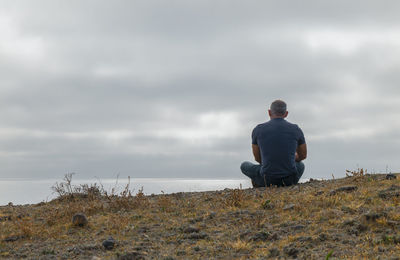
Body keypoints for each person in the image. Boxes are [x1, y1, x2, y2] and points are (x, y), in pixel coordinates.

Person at [240, 100, 307, 187]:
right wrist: (293, 157)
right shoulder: (296, 129)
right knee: (300, 165)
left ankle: (260, 182)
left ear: (269, 112)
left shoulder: (258, 129)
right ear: (286, 114)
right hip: (289, 180)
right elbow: (303, 156)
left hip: (267, 179)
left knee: (244, 165)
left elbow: (258, 159)